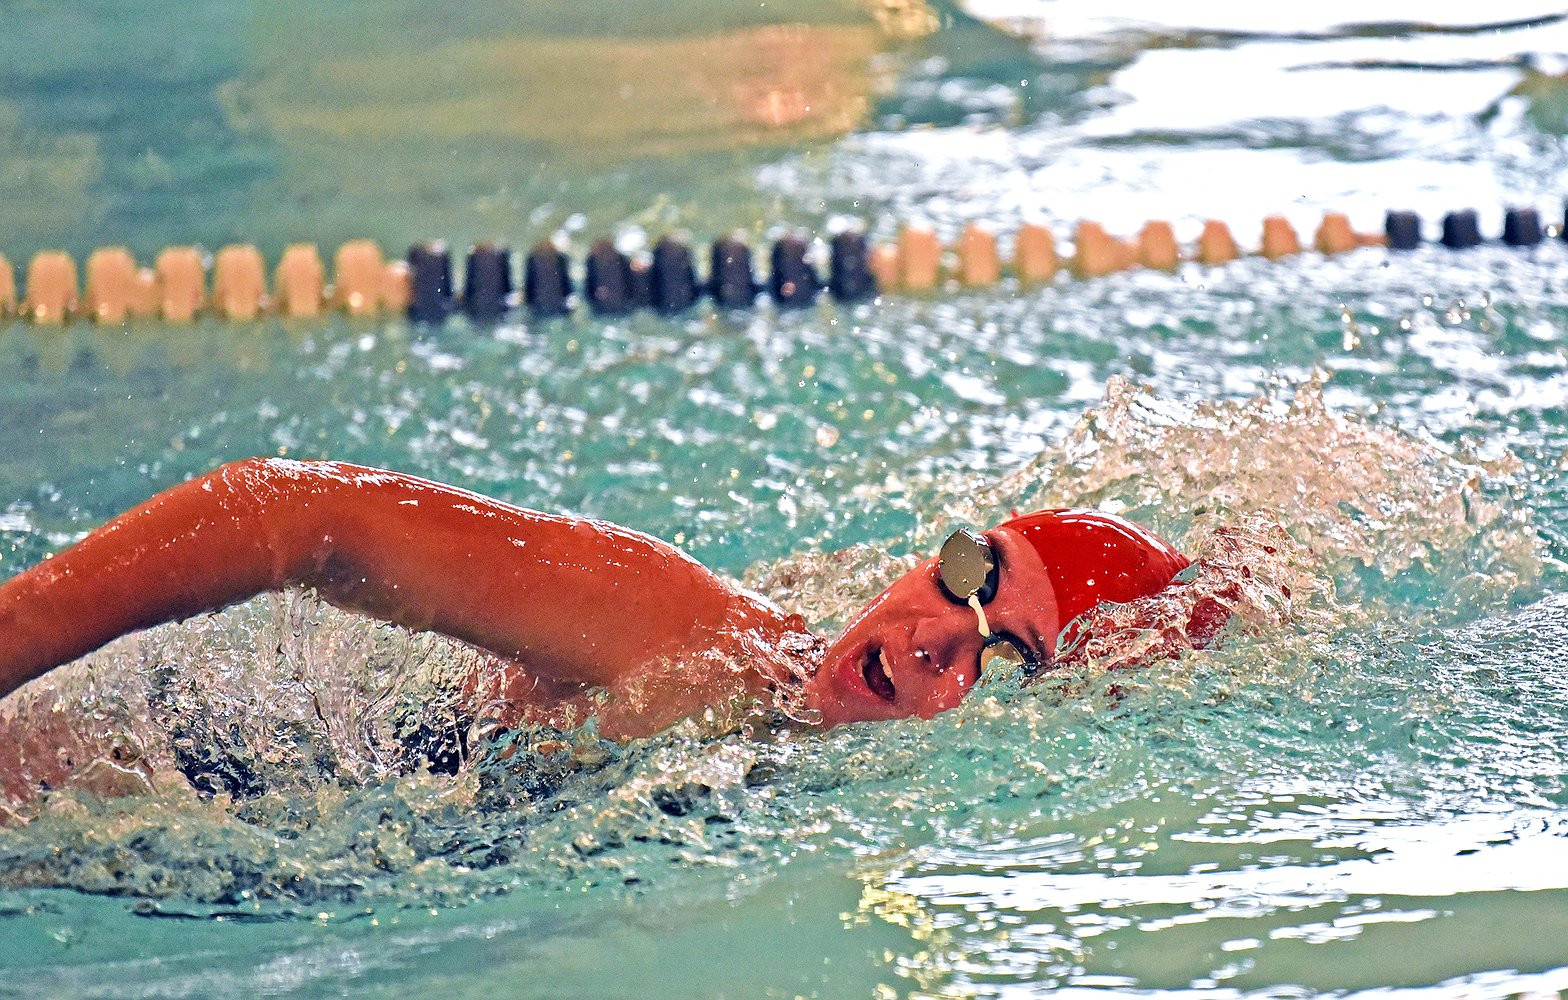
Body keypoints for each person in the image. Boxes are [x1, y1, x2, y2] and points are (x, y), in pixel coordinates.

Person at [0, 458, 1195, 741]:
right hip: (205, 789)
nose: (936, 636)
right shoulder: (687, 635)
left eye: (1005, 655)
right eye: (966, 575)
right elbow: (300, 512)